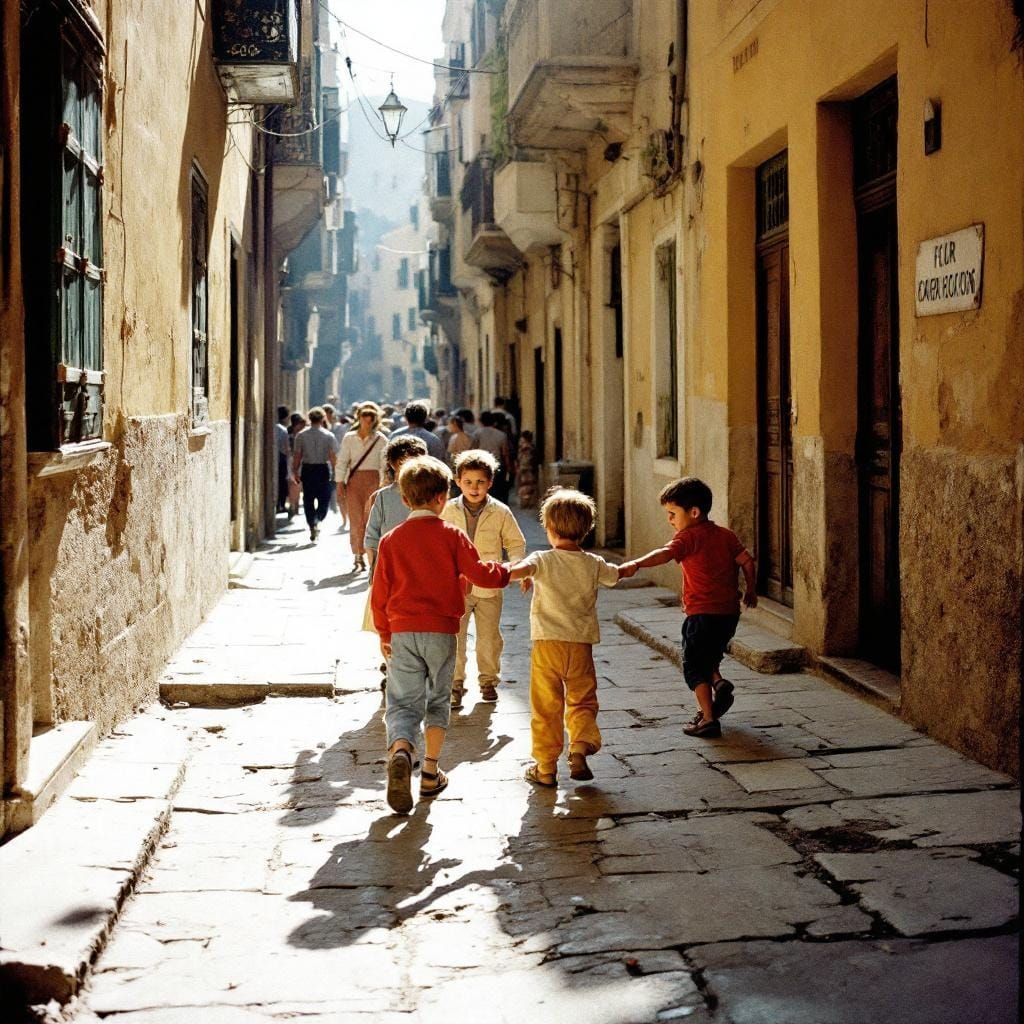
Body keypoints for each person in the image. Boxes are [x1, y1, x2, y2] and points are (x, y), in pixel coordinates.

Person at [371, 455, 510, 813]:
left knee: (401, 702)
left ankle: (401, 749)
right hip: (442, 631)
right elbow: (481, 574)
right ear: (442, 497)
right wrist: (511, 571)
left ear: (404, 499)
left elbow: (379, 594)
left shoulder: (390, 540)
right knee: (437, 699)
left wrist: (384, 633)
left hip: (402, 632)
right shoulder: (452, 535)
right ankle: (430, 772)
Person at [505, 489, 630, 787]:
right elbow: (616, 575)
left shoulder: (542, 559)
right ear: (586, 530)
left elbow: (516, 570)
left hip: (547, 645)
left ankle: (545, 767)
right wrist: (635, 565)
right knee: (582, 700)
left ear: (548, 528)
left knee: (546, 706)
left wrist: (510, 572)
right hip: (580, 646)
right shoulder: (593, 563)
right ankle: (580, 746)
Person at [619, 477, 757, 738]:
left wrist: (636, 565)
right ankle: (719, 682)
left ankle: (707, 718)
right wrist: (751, 589)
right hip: (728, 613)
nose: (669, 520)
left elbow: (664, 553)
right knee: (709, 655)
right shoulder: (726, 535)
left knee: (694, 665)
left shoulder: (687, 537)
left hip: (700, 614)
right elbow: (747, 562)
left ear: (693, 512)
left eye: (672, 514)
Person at [441, 450, 527, 708]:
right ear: (457, 482)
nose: (474, 488)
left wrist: (517, 569)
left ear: (490, 482)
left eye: (480, 482)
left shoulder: (500, 511)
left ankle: (488, 681)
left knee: (489, 638)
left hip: (489, 585)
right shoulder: (447, 510)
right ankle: (455, 685)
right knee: (454, 637)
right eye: (468, 482)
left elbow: (515, 543)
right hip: (456, 587)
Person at [338, 402, 388, 572]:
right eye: (364, 419)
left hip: (374, 481)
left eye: (370, 419)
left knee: (370, 520)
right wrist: (339, 483)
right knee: (356, 519)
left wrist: (383, 484)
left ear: (375, 420)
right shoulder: (349, 438)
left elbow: (384, 464)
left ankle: (369, 554)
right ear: (358, 418)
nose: (367, 422)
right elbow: (343, 461)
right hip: (355, 481)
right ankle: (357, 554)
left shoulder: (381, 439)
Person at [291, 407, 339, 542]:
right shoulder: (329, 436)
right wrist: (336, 472)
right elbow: (333, 456)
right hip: (323, 469)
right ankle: (318, 518)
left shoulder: (301, 435)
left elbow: (297, 455)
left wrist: (295, 471)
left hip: (308, 469)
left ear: (309, 419)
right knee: (324, 498)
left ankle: (312, 523)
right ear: (323, 418)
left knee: (308, 499)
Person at [475, 411, 513, 503]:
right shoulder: (501, 435)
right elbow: (505, 453)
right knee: (498, 490)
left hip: (481, 465)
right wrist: (509, 467)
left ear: (481, 421)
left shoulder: (477, 434)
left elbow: (474, 450)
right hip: (498, 466)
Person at [323, 403, 349, 528]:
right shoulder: (322, 429)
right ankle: (334, 507)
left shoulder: (340, 428)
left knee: (342, 493)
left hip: (341, 463)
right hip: (325, 463)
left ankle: (345, 518)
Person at [287, 412, 307, 519]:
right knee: (294, 484)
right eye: (302, 425)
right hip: (292, 461)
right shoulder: (289, 435)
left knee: (297, 484)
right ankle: (292, 505)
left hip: (302, 462)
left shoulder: (303, 435)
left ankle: (295, 504)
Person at [516, 430, 539, 508]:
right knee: (529, 486)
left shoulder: (525, 447)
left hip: (526, 468)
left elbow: (524, 459)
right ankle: (528, 502)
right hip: (527, 468)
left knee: (526, 486)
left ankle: (526, 503)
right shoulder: (530, 447)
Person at [275, 405, 290, 514]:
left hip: (276, 457)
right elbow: (286, 448)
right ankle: (281, 504)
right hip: (281, 458)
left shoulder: (274, 427)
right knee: (282, 482)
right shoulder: (283, 430)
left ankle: (277, 504)